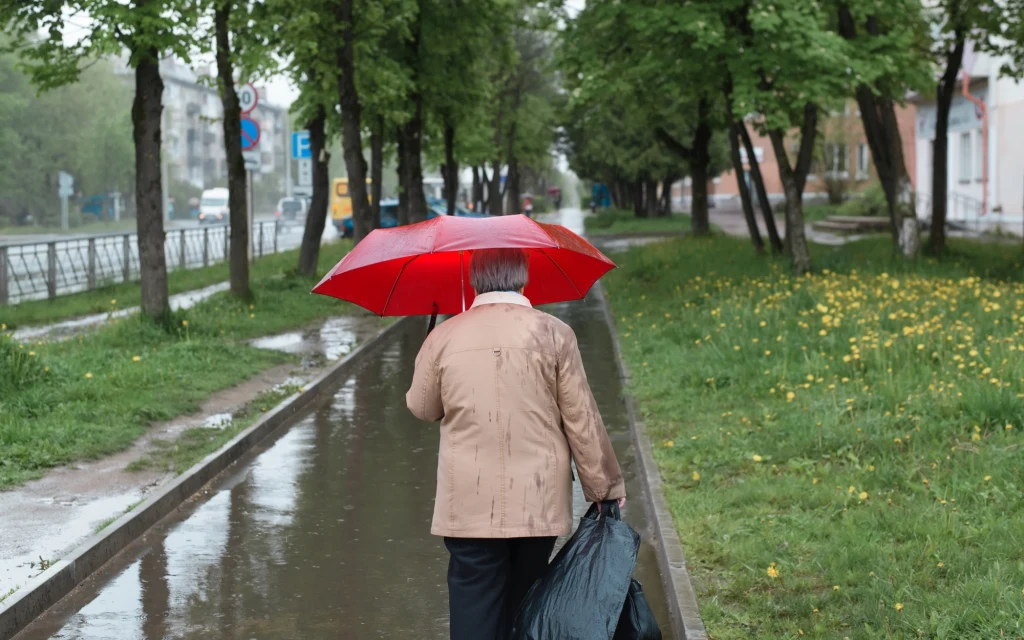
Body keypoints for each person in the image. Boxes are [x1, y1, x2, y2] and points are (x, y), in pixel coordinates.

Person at [406, 248, 626, 640]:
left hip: (468, 502)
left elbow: (423, 408)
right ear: (523, 277)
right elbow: (581, 418)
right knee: (527, 602)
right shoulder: (554, 332)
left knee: (473, 601)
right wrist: (604, 489)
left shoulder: (445, 335)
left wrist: (429, 348)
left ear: (475, 280)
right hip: (537, 500)